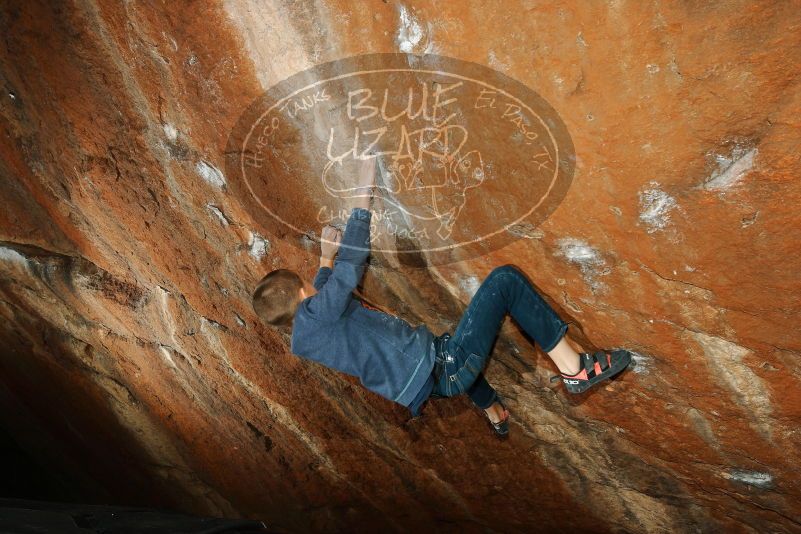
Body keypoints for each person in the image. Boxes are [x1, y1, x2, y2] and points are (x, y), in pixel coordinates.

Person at [252, 157, 631, 438]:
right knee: (504, 282)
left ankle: (495, 412)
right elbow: (347, 272)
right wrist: (362, 194)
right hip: (443, 366)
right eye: (310, 285)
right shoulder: (320, 310)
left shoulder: (307, 333)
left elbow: (326, 298)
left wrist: (323, 259)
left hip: (427, 384)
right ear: (304, 294)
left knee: (454, 355)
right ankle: (575, 369)